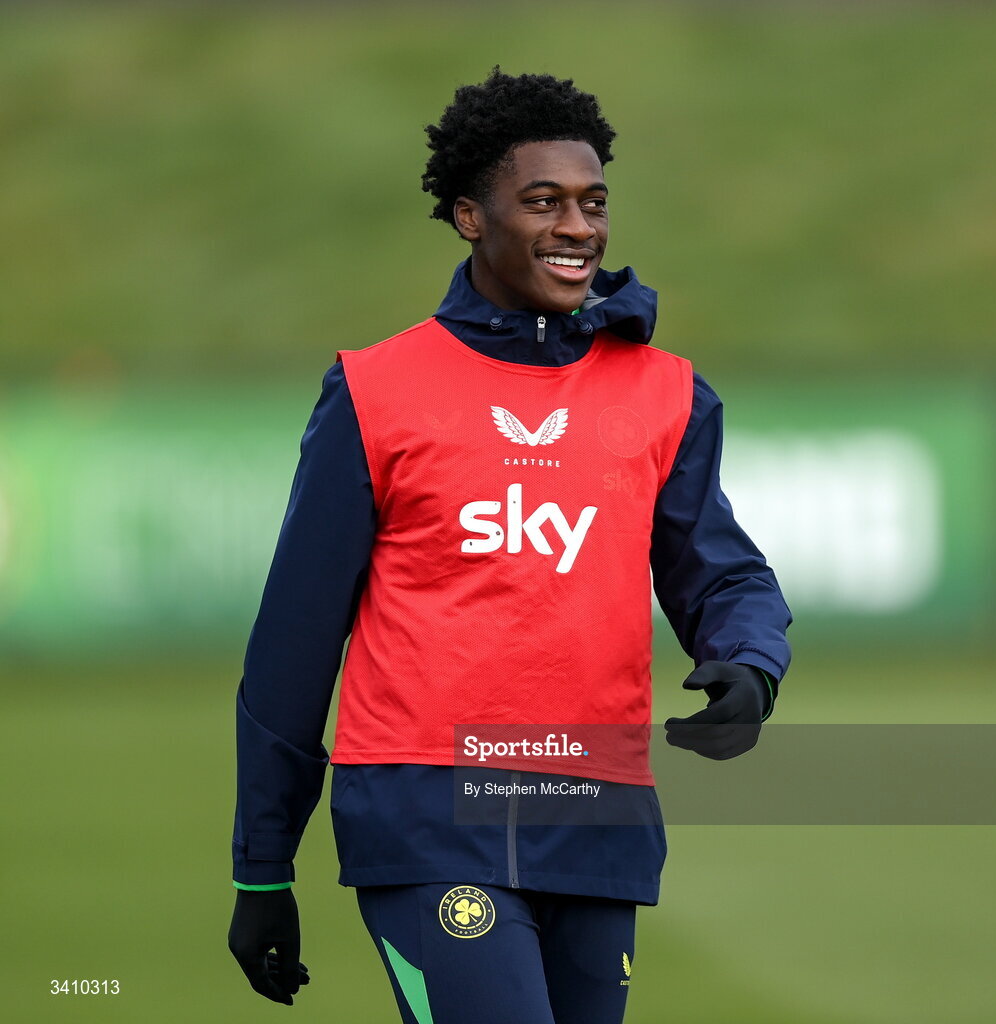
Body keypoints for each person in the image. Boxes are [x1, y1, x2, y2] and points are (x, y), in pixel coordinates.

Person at [227, 68, 791, 1024]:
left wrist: (747, 661)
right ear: (468, 217)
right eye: (542, 202)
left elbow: (722, 572)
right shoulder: (375, 391)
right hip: (426, 808)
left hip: (596, 810)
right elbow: (294, 641)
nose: (577, 227)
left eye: (592, 202)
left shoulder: (667, 393)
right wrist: (261, 868)